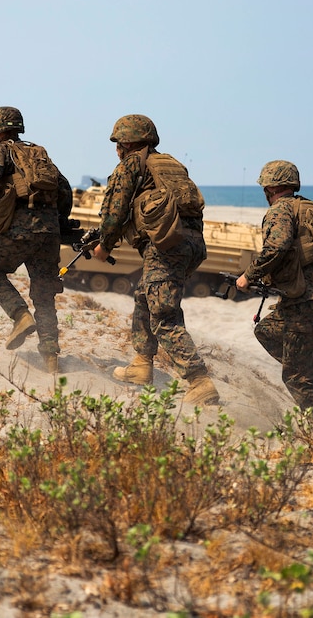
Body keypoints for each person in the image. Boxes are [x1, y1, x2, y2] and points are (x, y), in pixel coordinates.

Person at [91, 114, 219, 406]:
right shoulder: (171, 165)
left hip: (165, 247)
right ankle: (141, 364)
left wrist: (104, 245)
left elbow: (114, 210)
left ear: (127, 142)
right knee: (144, 297)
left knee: (163, 315)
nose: (117, 149)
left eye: (119, 143)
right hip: (191, 244)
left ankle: (199, 381)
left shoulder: (131, 165)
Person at [0, 106, 72, 374]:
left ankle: (20, 316)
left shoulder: (0, 152)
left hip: (18, 232)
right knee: (44, 295)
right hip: (49, 234)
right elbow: (64, 189)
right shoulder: (40, 154)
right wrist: (57, 223)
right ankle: (51, 358)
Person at [235, 160, 313, 419]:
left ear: (270, 187)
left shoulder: (279, 210)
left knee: (295, 374)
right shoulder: (310, 209)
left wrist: (248, 276)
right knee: (267, 331)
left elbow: (277, 247)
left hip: (303, 299)